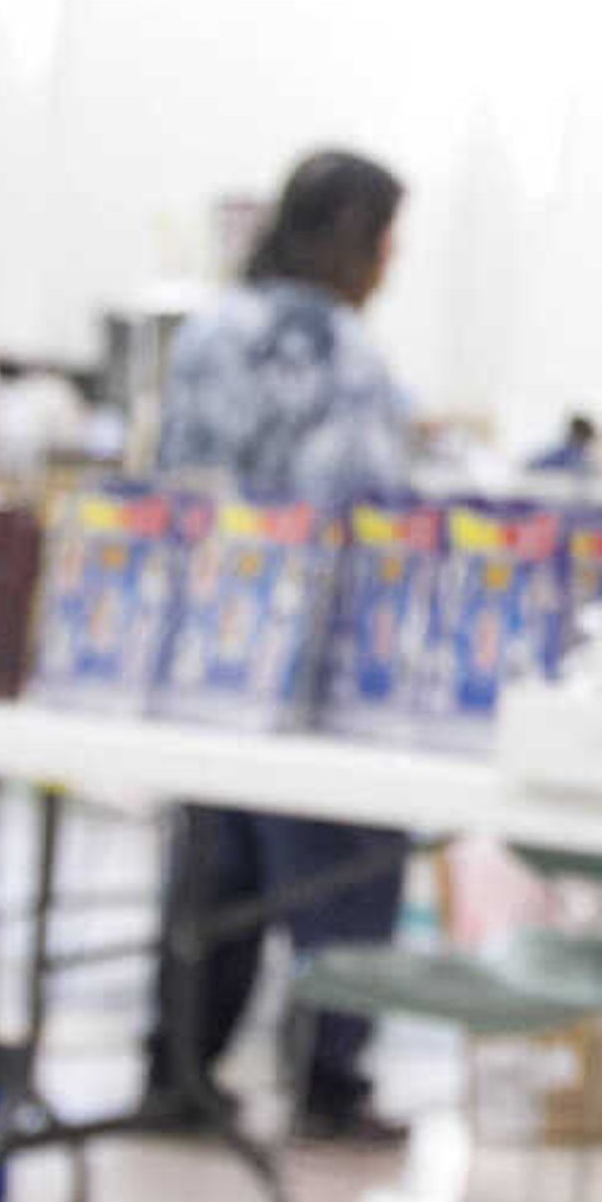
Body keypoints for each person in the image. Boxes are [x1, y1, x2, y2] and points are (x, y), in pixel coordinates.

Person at [144, 149, 416, 1146]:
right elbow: (369, 504)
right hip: (317, 667)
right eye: (385, 241)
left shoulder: (212, 329)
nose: (388, 264)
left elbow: (175, 473)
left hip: (208, 643)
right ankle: (328, 1082)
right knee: (339, 879)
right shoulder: (342, 349)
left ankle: (177, 1069)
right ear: (347, 235)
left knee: (211, 875)